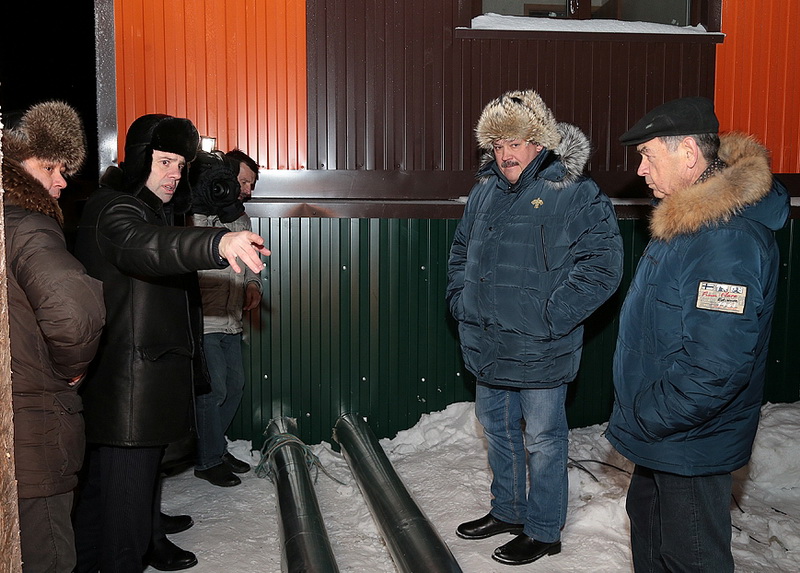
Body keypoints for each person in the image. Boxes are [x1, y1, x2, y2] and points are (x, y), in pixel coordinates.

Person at [71, 114, 270, 573]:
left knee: (112, 511)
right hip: (128, 389)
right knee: (121, 528)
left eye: (180, 165)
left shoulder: (141, 206)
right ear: (140, 159)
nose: (174, 174)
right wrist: (216, 244)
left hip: (136, 386)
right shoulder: (115, 207)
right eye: (163, 162)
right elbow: (146, 244)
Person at [605, 96, 790, 572]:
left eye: (648, 154)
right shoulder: (687, 222)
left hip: (688, 438)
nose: (641, 169)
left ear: (688, 153)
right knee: (650, 536)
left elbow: (715, 367)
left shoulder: (725, 240)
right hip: (667, 436)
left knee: (691, 557)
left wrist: (648, 413)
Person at [446, 90, 623, 565]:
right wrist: (461, 300)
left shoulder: (575, 191)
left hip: (541, 345)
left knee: (544, 440)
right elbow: (461, 252)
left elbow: (603, 267)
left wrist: (550, 317)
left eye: (518, 141)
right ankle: (508, 510)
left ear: (540, 142)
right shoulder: (484, 190)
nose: (506, 152)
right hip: (486, 340)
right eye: (499, 142)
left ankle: (545, 530)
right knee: (497, 429)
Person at [2, 100, 106, 572]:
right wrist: (71, 369)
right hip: (35, 429)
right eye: (53, 167)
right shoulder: (29, 226)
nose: (62, 181)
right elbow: (74, 314)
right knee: (46, 553)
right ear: (17, 160)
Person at [189, 150, 262, 487]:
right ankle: (207, 459)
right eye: (243, 181)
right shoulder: (199, 212)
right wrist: (205, 203)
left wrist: (252, 284)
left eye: (250, 184)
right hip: (205, 320)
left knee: (234, 388)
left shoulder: (239, 215)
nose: (246, 189)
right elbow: (193, 246)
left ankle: (215, 448)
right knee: (214, 390)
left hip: (231, 318)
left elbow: (251, 259)